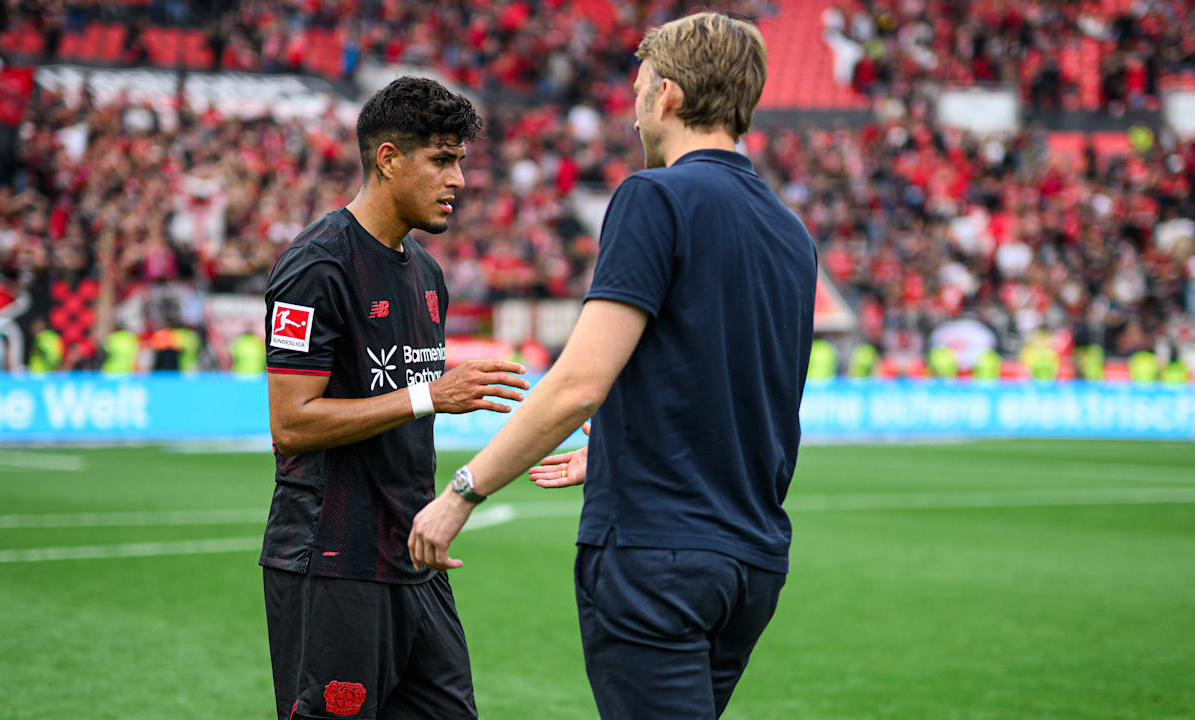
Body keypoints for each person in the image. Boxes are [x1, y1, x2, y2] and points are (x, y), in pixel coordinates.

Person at [409, 13, 817, 719]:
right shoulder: (791, 231)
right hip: (750, 562)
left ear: (668, 96)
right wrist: (622, 451)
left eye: (638, 90)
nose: (632, 115)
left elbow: (577, 384)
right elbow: (748, 394)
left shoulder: (653, 196)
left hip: (656, 553)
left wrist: (462, 493)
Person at [261, 76, 530, 720]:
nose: (458, 179)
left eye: (460, 160)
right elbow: (291, 423)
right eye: (441, 159)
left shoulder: (428, 274)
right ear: (387, 158)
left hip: (413, 554)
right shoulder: (317, 265)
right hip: (332, 559)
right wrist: (427, 395)